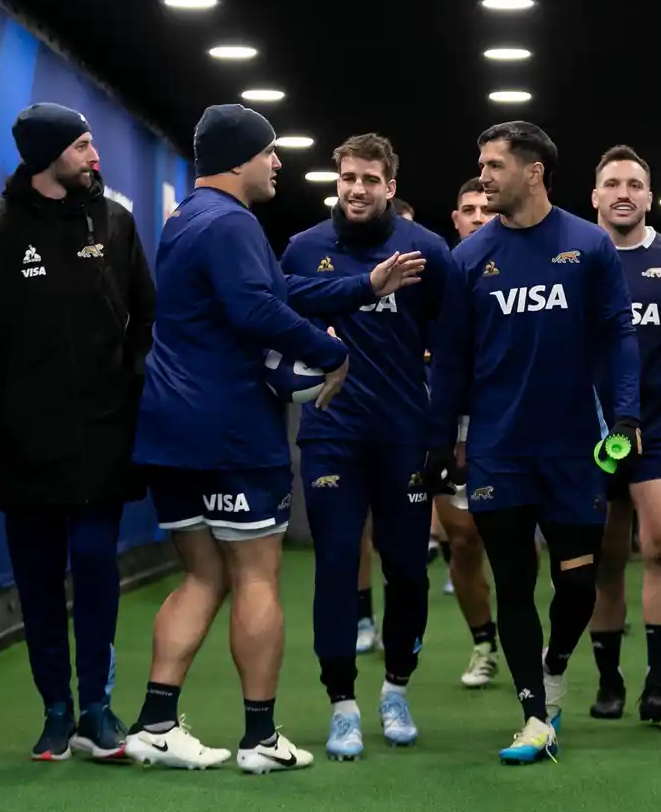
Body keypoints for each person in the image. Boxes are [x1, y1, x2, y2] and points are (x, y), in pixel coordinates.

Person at [119, 104, 424, 775]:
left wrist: (360, 286)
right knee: (256, 576)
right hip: (227, 430)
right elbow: (257, 309)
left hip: (171, 429)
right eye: (268, 152)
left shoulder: (189, 219)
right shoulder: (232, 222)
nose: (278, 163)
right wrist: (330, 354)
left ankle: (155, 722)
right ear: (239, 158)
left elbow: (275, 288)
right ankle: (259, 738)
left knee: (203, 576)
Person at [0, 102, 156, 762]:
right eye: (83, 144)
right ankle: (55, 711)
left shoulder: (115, 222)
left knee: (94, 568)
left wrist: (129, 386)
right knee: (37, 580)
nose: (95, 155)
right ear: (47, 155)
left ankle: (97, 706)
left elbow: (146, 316)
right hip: (25, 445)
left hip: (102, 440)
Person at [424, 121, 641, 764]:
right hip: (498, 450)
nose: (483, 177)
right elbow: (451, 361)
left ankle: (555, 664)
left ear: (534, 170)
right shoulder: (467, 259)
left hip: (573, 448)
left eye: (494, 166)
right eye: (482, 164)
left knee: (578, 586)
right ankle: (534, 715)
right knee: (514, 582)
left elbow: (616, 337)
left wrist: (625, 415)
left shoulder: (589, 245)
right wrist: (441, 441)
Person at [280, 134, 455, 759]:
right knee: (333, 564)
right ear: (337, 179)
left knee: (407, 569)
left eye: (370, 179)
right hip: (332, 434)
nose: (357, 189)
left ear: (390, 185)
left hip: (404, 436)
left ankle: (396, 689)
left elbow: (453, 341)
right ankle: (343, 706)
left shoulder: (427, 251)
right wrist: (365, 287)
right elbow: (279, 306)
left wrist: (446, 430)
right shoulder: (304, 249)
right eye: (348, 177)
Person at [582, 145, 661, 724]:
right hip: (591, 434)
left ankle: (658, 681)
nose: (623, 192)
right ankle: (608, 679)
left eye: (634, 183)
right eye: (612, 184)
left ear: (650, 196)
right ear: (595, 195)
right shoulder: (574, 259)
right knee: (603, 558)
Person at [429, 176, 501, 688]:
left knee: (516, 539)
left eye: (486, 208)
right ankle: (483, 642)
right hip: (448, 424)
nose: (477, 216)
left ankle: (533, 639)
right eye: (468, 209)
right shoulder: (433, 276)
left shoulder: (531, 267)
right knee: (464, 542)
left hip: (510, 422)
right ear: (455, 220)